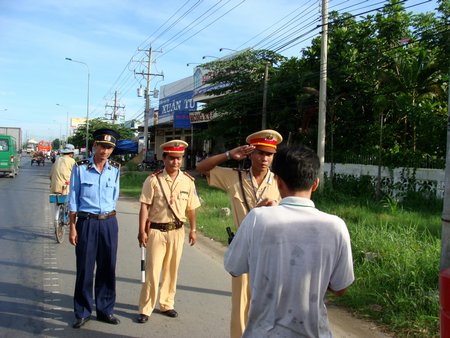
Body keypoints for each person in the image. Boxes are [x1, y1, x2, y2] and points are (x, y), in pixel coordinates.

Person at [224, 144, 355, 337]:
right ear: (315, 184)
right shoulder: (336, 226)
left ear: (277, 182)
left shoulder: (258, 218)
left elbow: (233, 266)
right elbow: (340, 288)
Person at [196, 129, 283, 338]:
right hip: (244, 249)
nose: (264, 159)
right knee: (241, 303)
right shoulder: (234, 177)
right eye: (260, 153)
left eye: (269, 154)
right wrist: (228, 154)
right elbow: (201, 168)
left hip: (271, 251)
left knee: (268, 306)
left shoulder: (280, 181)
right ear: (250, 153)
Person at [137, 140, 201, 324]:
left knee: (172, 270)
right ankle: (146, 308)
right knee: (152, 271)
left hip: (177, 232)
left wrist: (193, 230)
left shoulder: (188, 181)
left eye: (179, 158)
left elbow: (191, 208)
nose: (176, 162)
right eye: (172, 158)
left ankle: (167, 304)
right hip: (156, 231)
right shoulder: (153, 180)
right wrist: (142, 231)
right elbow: (144, 207)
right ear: (163, 158)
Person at [68, 128, 121, 329]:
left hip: (108, 223)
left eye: (109, 148)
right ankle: (82, 311)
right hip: (87, 222)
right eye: (102, 146)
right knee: (85, 269)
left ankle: (105, 310)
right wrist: (73, 227)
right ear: (94, 146)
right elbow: (73, 198)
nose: (105, 151)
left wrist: (108, 217)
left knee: (108, 268)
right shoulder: (80, 168)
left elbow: (115, 196)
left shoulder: (115, 169)